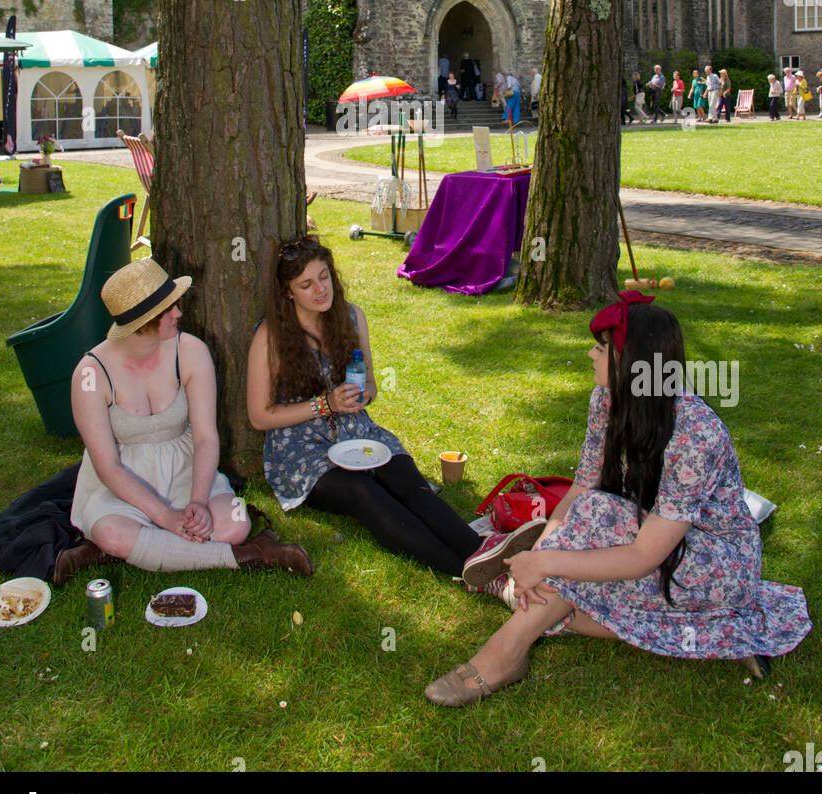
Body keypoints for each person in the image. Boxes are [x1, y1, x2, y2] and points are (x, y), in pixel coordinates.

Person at [425, 292, 812, 705]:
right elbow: (582, 488)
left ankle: (503, 654)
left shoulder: (696, 433)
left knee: (589, 532)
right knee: (590, 516)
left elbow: (644, 556)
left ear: (633, 361)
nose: (590, 354)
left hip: (715, 562)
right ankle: (538, 606)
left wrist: (547, 562)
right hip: (648, 534)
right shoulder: (605, 401)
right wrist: (542, 548)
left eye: (601, 346)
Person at [247, 236, 485, 581]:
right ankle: (468, 573)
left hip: (356, 432)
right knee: (364, 493)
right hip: (299, 449)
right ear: (288, 293)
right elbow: (259, 416)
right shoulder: (270, 336)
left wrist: (362, 396)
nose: (320, 289)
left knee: (407, 480)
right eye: (306, 284)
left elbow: (370, 384)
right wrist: (324, 404)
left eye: (324, 277)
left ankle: (479, 550)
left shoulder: (352, 317)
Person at [62, 258, 312, 583]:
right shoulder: (90, 374)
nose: (179, 313)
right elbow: (107, 466)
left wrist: (197, 501)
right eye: (168, 310)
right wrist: (165, 516)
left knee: (236, 523)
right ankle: (249, 554)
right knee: (113, 532)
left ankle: (128, 550)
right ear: (142, 323)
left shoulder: (191, 350)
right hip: (124, 481)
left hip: (185, 468)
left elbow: (206, 437)